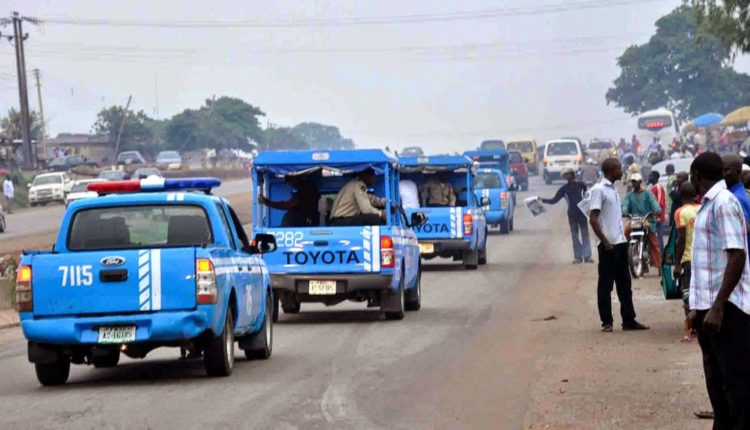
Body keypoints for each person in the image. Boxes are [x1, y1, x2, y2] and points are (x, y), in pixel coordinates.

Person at [686, 152, 750, 429]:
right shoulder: (708, 205)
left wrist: (718, 305)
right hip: (709, 310)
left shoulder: (723, 203)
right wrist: (696, 309)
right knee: (716, 383)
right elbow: (706, 264)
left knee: (735, 385)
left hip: (728, 311)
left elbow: (737, 255)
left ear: (696, 175)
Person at [589, 158, 649, 332]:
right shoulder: (599, 190)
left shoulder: (613, 190)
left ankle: (629, 320)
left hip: (621, 243)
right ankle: (607, 322)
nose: (622, 171)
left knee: (625, 285)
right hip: (608, 246)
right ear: (611, 170)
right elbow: (593, 219)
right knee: (605, 286)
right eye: (619, 169)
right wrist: (606, 242)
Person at [539, 167, 592, 264]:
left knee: (585, 234)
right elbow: (554, 200)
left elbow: (587, 196)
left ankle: (587, 256)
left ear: (572, 174)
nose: (567, 176)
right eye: (565, 175)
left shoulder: (581, 185)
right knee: (575, 236)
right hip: (572, 214)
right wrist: (542, 200)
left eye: (568, 174)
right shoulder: (563, 189)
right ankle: (578, 257)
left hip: (582, 213)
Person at [673, 182, 700, 330]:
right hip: (703, 258)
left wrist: (677, 264)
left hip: (688, 259)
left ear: (680, 195)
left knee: (688, 293)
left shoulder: (680, 212)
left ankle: (692, 329)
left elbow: (681, 239)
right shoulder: (703, 208)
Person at [622, 173, 662, 269]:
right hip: (635, 220)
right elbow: (625, 205)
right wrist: (624, 211)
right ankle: (627, 256)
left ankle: (659, 264)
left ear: (640, 182)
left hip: (647, 220)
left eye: (636, 182)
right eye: (633, 182)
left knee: (653, 241)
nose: (635, 184)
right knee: (626, 233)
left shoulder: (648, 193)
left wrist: (656, 210)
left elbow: (655, 204)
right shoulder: (629, 195)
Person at [722, 153, 750, 247]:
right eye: (720, 170)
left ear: (738, 172)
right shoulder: (736, 194)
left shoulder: (736, 198)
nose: (722, 174)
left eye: (726, 170)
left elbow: (745, 229)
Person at [648, 171, 667, 253]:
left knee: (658, 236)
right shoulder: (652, 187)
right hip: (652, 216)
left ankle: (660, 254)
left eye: (651, 176)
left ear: (656, 177)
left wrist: (658, 216)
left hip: (657, 216)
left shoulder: (658, 187)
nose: (649, 178)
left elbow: (660, 202)